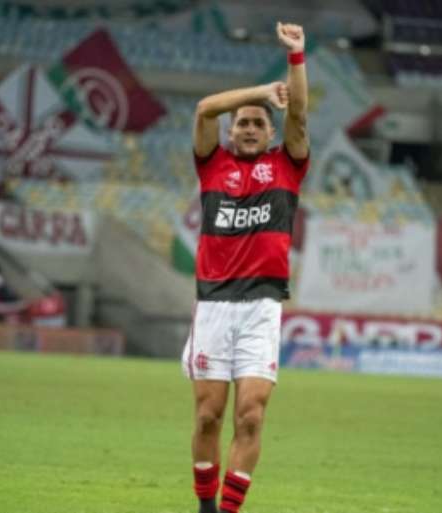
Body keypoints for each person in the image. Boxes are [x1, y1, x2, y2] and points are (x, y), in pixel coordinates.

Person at [182, 22, 309, 513]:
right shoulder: (211, 164)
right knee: (209, 416)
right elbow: (203, 109)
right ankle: (205, 506)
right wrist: (258, 92)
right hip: (213, 304)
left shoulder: (286, 166)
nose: (251, 128)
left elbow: (298, 114)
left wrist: (296, 57)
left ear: (271, 133)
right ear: (232, 131)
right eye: (243, 123)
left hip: (261, 306)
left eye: (259, 122)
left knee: (251, 416)